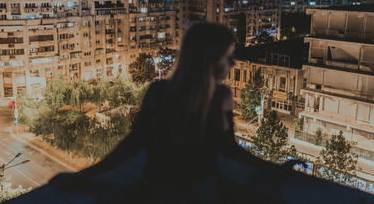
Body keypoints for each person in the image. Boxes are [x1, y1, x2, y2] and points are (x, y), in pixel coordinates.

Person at [51, 22, 281, 203]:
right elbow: (230, 151)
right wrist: (82, 175)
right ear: (210, 58)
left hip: (165, 190)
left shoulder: (165, 92)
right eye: (228, 56)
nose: (232, 63)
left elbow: (132, 146)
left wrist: (83, 176)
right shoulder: (216, 96)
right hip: (192, 193)